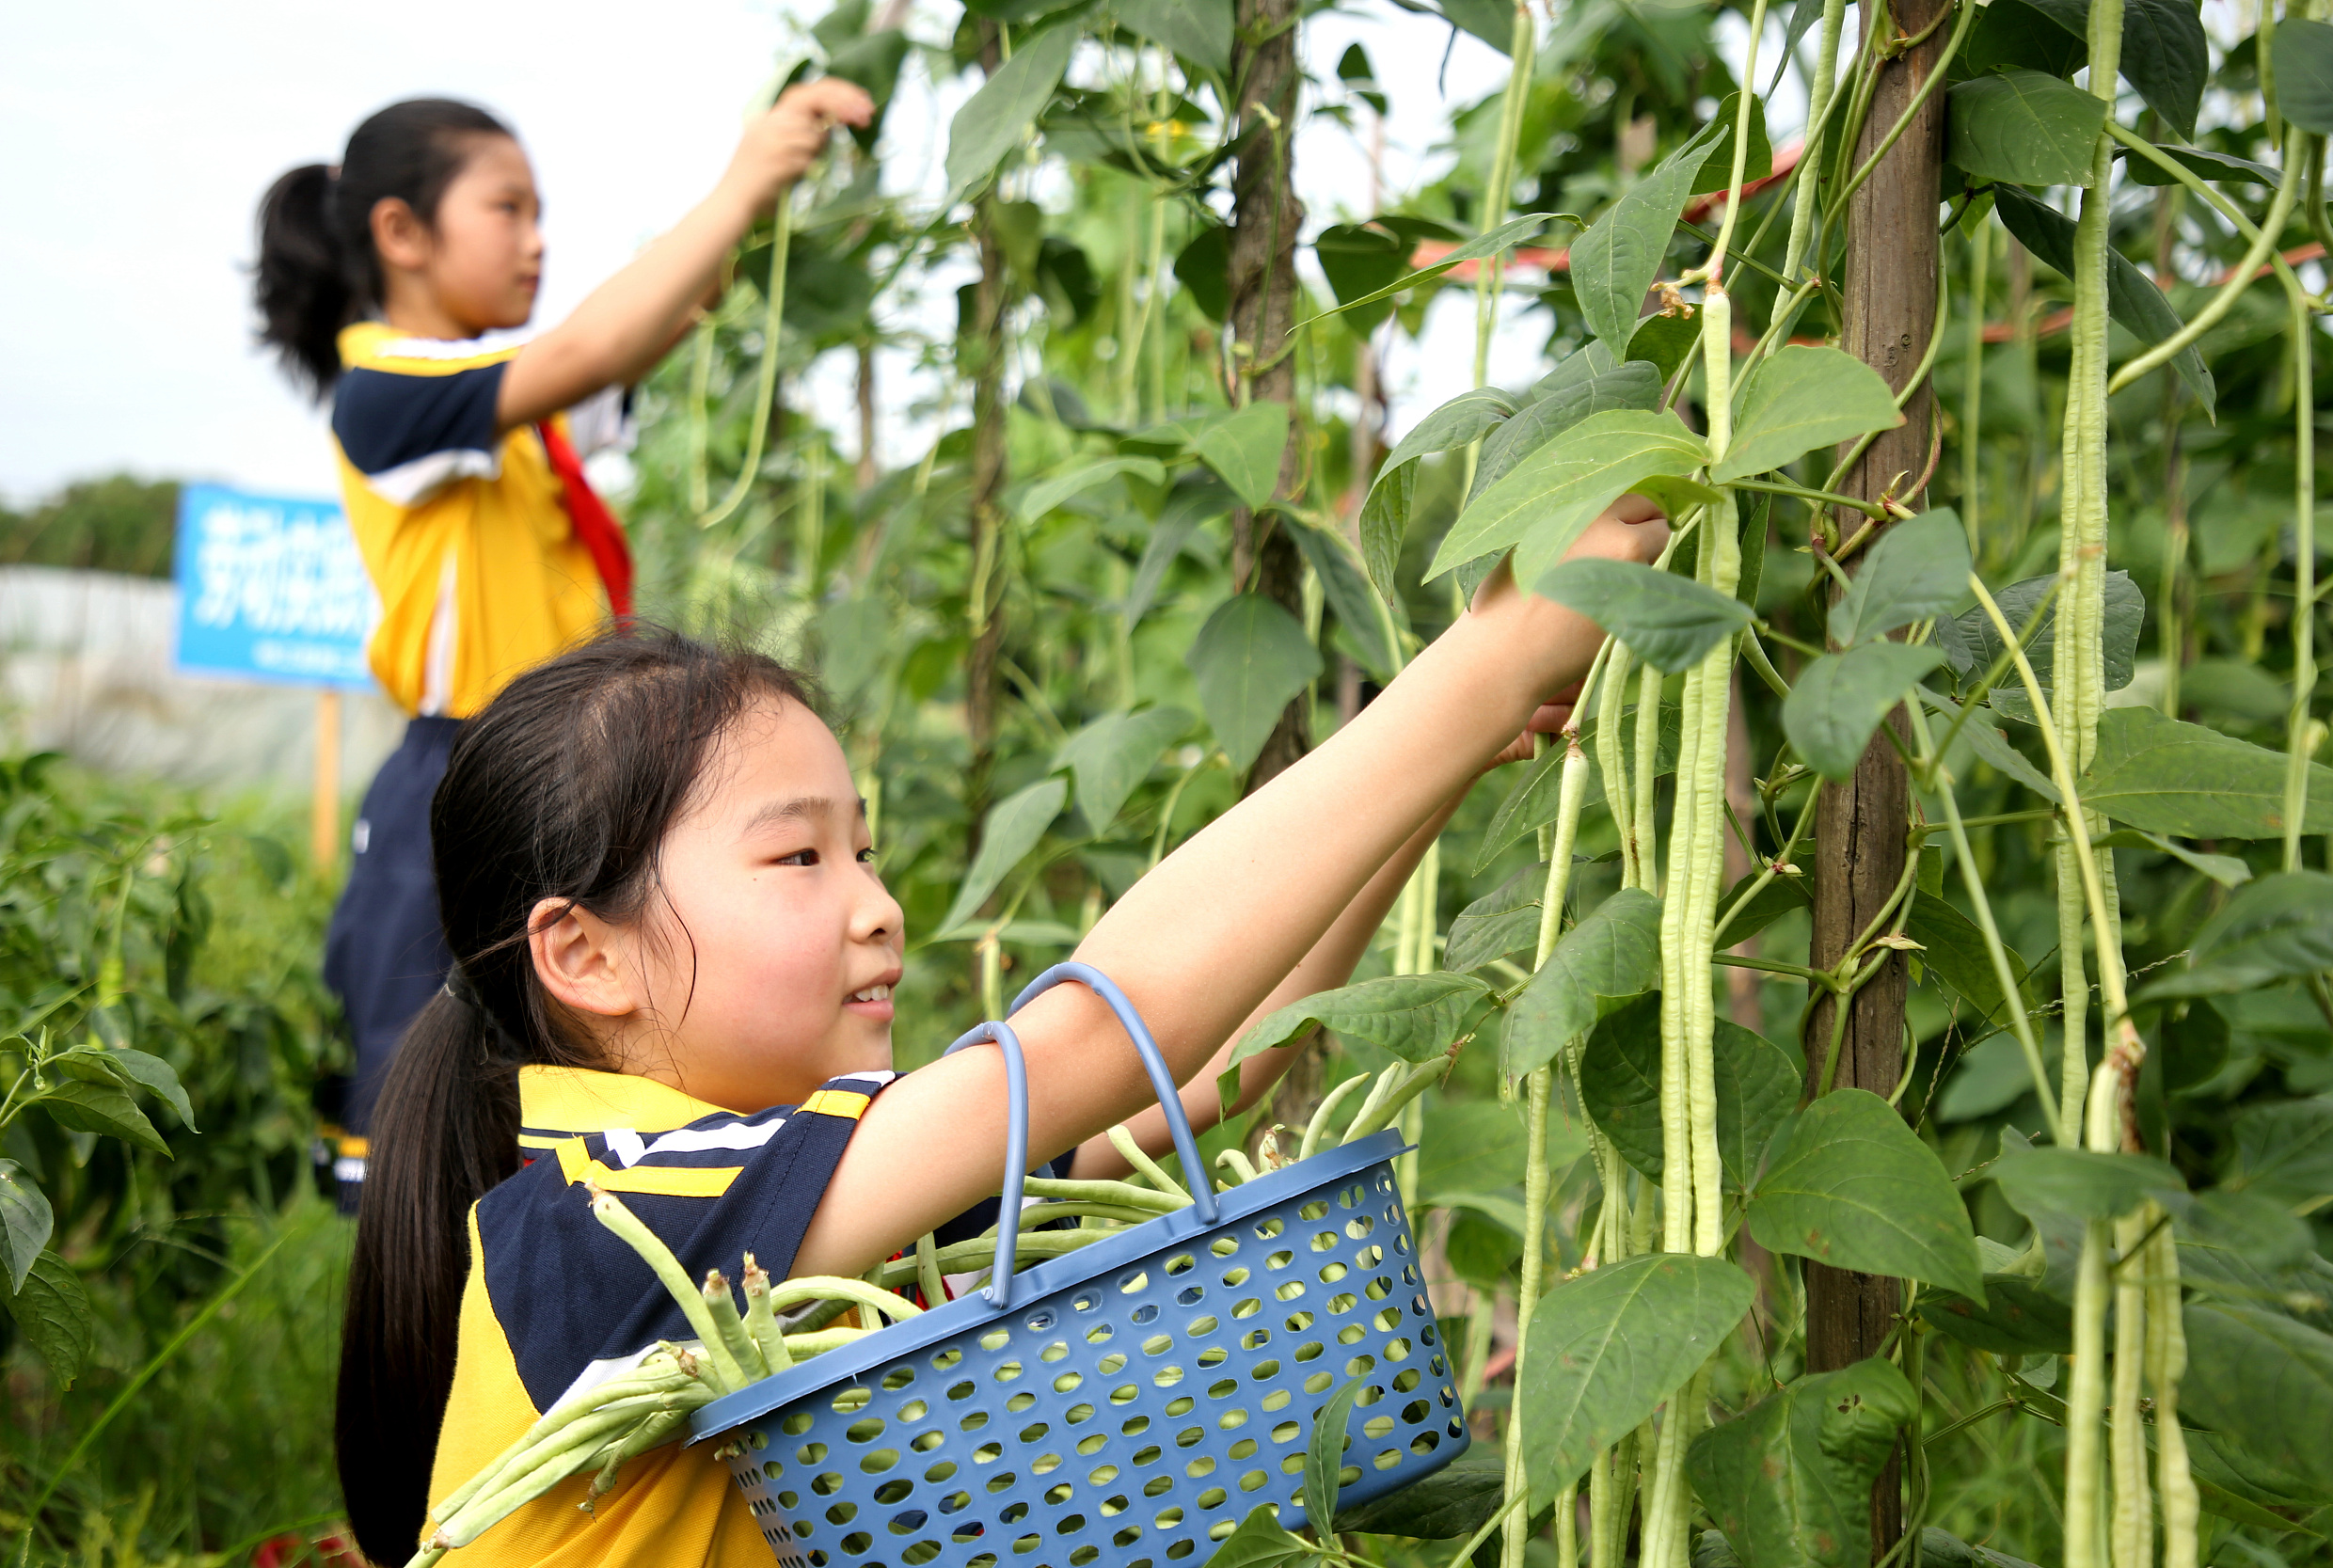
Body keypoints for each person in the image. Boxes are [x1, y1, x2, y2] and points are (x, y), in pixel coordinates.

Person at [332, 489, 1668, 1568]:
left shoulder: (788, 1181)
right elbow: (1093, 1039)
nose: (877, 905)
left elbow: (1192, 1075)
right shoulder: (615, 1213)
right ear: (586, 953)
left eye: (867, 848)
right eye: (801, 859)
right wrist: (1483, 669)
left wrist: (1438, 766)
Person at [251, 83, 874, 1208]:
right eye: (509, 210)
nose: (538, 242)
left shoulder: (505, 414)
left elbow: (648, 327)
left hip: (547, 770)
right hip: (459, 771)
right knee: (432, 1108)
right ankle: (441, 1343)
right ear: (402, 233)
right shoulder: (388, 388)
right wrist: (740, 175)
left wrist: (769, 186)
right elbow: (592, 346)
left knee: (556, 1071)